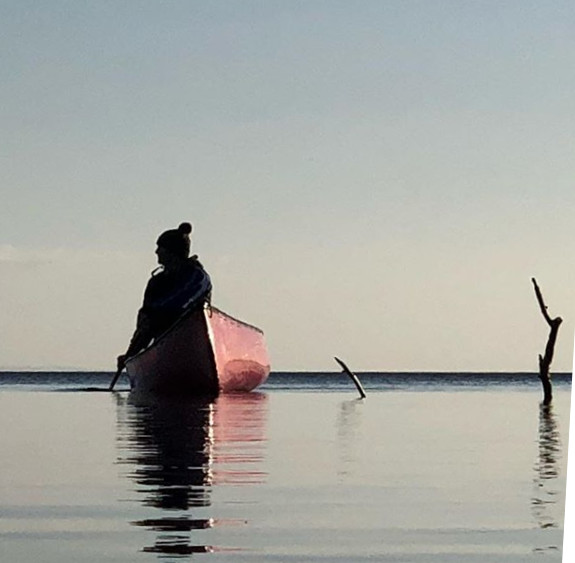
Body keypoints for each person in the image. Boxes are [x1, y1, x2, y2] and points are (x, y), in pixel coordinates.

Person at [117, 222, 212, 371]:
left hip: (190, 337)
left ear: (171, 251)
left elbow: (183, 300)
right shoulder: (156, 282)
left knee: (151, 316)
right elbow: (145, 322)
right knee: (147, 318)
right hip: (165, 341)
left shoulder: (197, 276)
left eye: (160, 247)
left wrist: (156, 310)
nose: (156, 252)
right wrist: (130, 354)